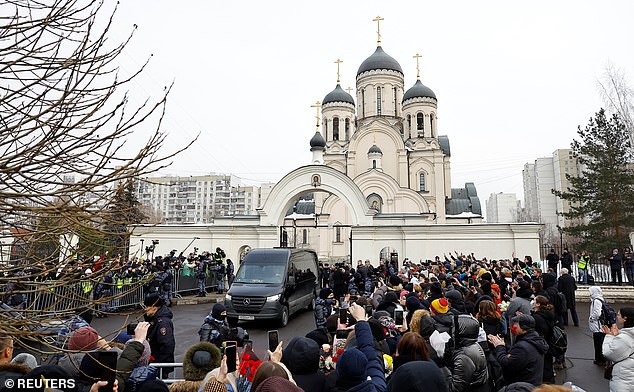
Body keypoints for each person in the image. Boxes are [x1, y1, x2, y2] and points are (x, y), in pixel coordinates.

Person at [488, 314, 549, 386]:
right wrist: (504, 346)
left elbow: (505, 363)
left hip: (521, 386)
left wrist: (499, 346)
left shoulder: (522, 347)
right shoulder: (534, 339)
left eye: (515, 324)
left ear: (523, 328)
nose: (511, 327)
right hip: (532, 383)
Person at [446, 314, 489, 392]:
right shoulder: (472, 344)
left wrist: (442, 368)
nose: (451, 330)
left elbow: (456, 388)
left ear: (460, 332)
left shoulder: (464, 356)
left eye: (453, 328)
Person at [601, 307, 634, 392]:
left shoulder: (624, 339)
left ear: (625, 318)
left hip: (624, 380)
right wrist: (618, 334)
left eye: (618, 315)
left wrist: (609, 336)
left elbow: (608, 353)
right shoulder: (628, 335)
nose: (617, 317)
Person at [144, 292, 176, 376]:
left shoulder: (163, 323)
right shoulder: (153, 319)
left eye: (147, 306)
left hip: (158, 365)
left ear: (154, 307)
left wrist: (160, 366)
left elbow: (167, 345)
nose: (145, 309)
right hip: (154, 364)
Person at [531, 296, 556, 383]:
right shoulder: (547, 314)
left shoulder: (537, 317)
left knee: (543, 367)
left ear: (538, 304)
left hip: (542, 345)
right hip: (548, 344)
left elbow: (540, 330)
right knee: (548, 366)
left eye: (534, 301)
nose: (532, 303)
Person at [589, 286, 607, 365]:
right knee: (599, 342)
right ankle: (599, 359)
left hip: (597, 325)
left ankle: (600, 359)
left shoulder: (596, 301)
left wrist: (592, 318)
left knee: (598, 343)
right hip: (599, 325)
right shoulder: (600, 299)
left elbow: (597, 313)